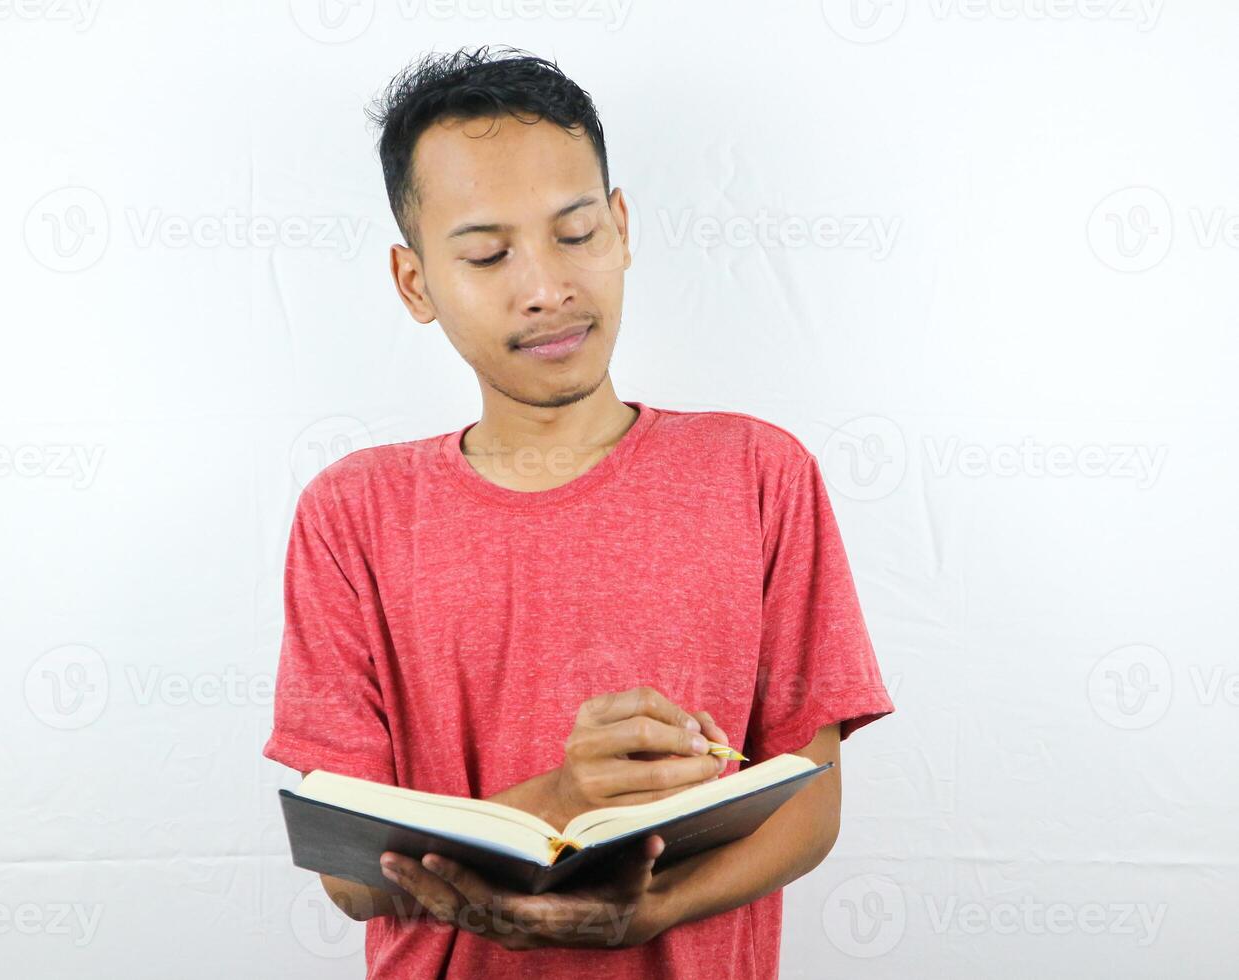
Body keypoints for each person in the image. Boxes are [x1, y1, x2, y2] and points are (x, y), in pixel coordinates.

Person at [262, 44, 895, 979]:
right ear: (415, 283)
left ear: (622, 226)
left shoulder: (759, 473)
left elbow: (810, 799)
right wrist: (562, 794)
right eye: (486, 253)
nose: (547, 287)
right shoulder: (352, 514)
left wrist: (656, 911)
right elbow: (354, 878)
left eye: (575, 233)